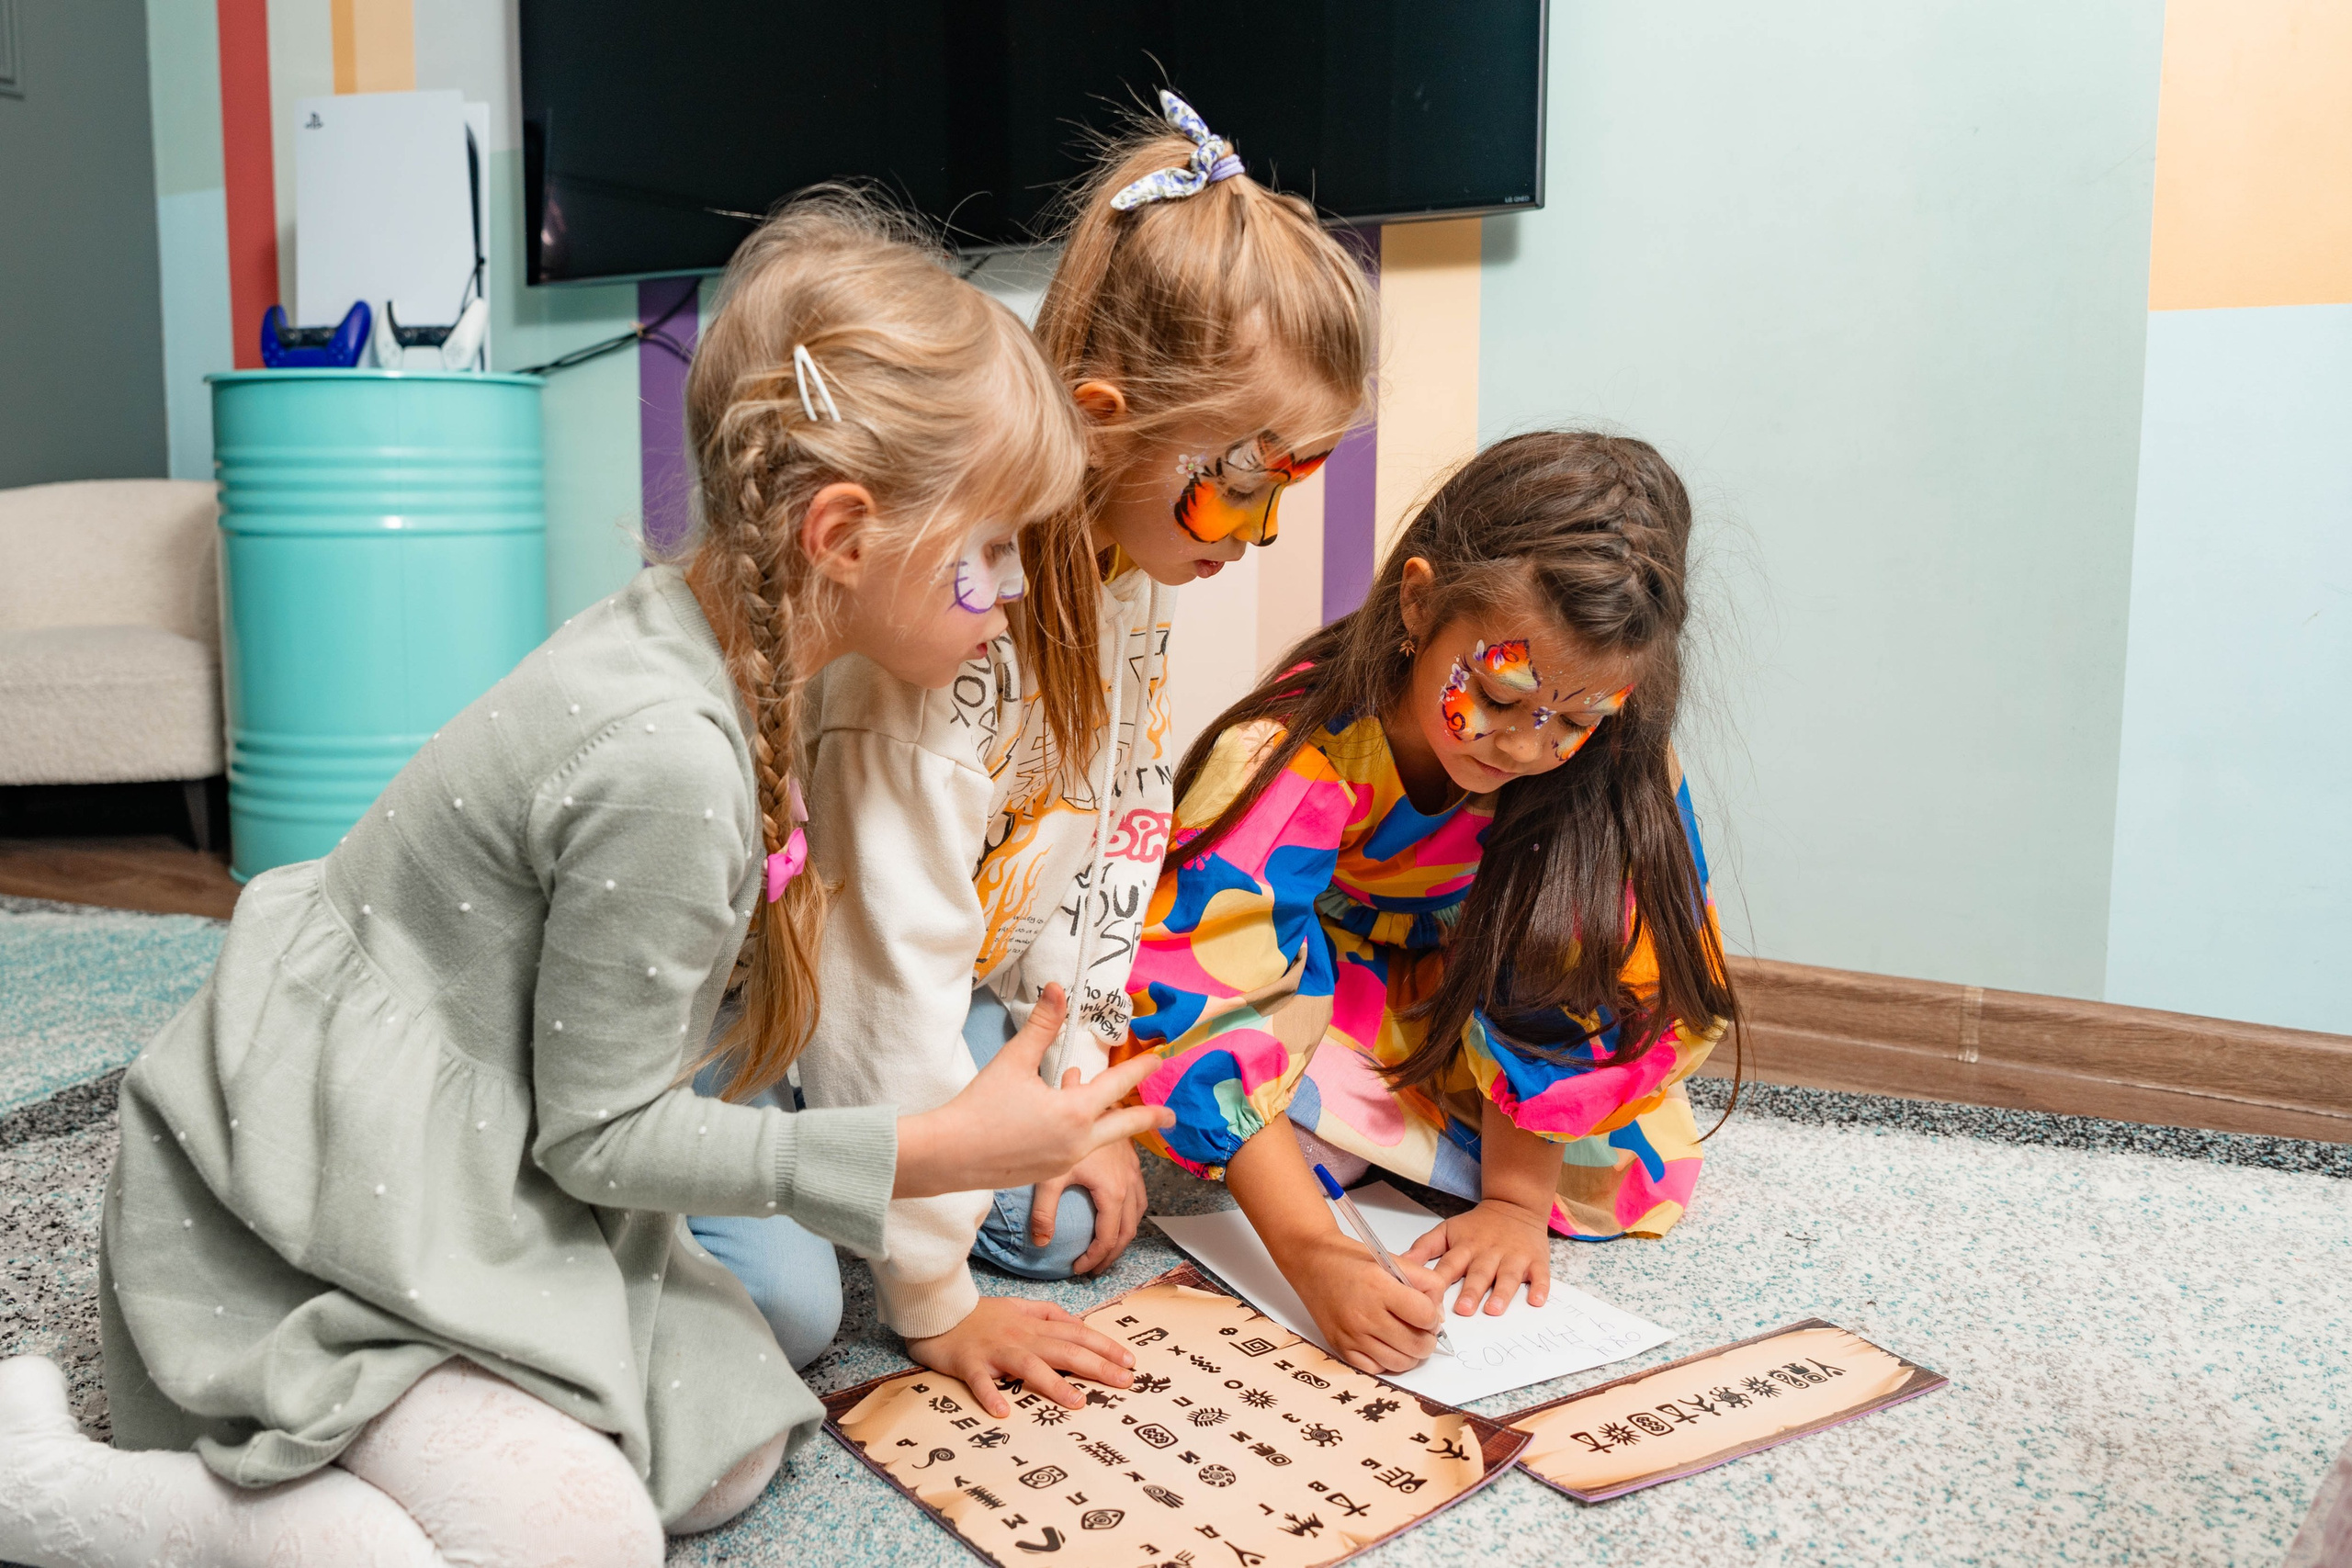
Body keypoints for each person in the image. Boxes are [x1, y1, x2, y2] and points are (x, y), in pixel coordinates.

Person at [0, 193, 1173, 1568]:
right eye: (987, 556)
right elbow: (601, 1140)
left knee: (738, 1434)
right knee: (577, 1536)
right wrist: (931, 1149)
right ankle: (56, 1490)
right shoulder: (667, 760)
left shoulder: (741, 648)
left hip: (486, 1143)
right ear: (843, 535)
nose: (1014, 592)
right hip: (314, 1199)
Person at [760, 91, 1377, 1403]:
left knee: (1059, 1213)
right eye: (1243, 481)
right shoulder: (940, 630)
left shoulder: (1132, 571)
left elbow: (1111, 839)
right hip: (784, 997)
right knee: (794, 1308)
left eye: (1297, 482)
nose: (1257, 535)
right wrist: (933, 1308)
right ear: (1101, 420)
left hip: (951, 966)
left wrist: (1079, 1102)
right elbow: (875, 977)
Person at [1122, 431, 1741, 1376]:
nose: (1528, 745)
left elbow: (1587, 984)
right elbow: (1206, 989)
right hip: (1336, 987)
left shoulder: (1609, 764)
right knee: (1238, 1107)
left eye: (1576, 719)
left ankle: (1444, 1159)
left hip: (1485, 996)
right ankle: (1354, 1166)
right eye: (1496, 694)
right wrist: (1314, 1259)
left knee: (1609, 1161)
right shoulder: (1295, 750)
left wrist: (1510, 1205)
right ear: (1417, 602)